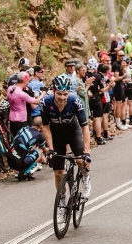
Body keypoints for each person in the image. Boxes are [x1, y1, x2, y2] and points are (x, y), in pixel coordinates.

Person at [40, 75, 92, 223]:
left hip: (73, 133)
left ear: (69, 92)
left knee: (81, 161)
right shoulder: (45, 102)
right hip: (57, 137)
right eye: (59, 94)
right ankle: (62, 204)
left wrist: (86, 151)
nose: (62, 98)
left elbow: (84, 127)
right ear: (53, 91)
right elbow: (45, 127)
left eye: (65, 94)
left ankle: (86, 177)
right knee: (58, 173)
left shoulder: (75, 101)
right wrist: (50, 149)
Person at [111, 50, 128, 130]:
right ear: (117, 56)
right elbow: (116, 78)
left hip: (120, 85)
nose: (122, 57)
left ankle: (121, 122)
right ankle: (118, 123)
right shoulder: (116, 65)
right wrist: (124, 75)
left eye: (123, 55)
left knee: (121, 103)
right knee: (118, 104)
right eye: (120, 55)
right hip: (117, 86)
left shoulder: (119, 65)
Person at [121, 56, 132, 126]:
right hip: (130, 86)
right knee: (131, 104)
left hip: (123, 87)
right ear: (129, 62)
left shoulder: (120, 69)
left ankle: (124, 120)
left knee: (124, 105)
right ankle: (130, 119)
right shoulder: (131, 69)